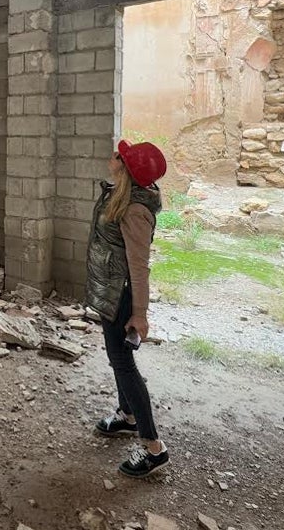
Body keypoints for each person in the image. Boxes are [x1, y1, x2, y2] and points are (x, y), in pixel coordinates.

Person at [85, 138, 169, 478]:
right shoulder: (120, 193)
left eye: (121, 156)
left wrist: (140, 313)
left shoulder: (135, 210)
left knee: (123, 363)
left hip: (120, 296)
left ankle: (153, 447)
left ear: (127, 170)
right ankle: (127, 415)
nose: (114, 156)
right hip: (110, 291)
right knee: (117, 360)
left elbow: (139, 266)